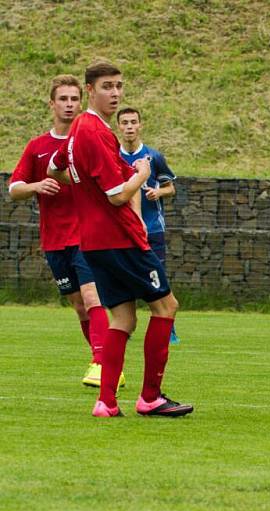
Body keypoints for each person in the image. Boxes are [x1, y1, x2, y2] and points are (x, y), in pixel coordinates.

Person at [48, 60, 192, 418]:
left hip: (93, 241)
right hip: (120, 238)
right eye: (107, 87)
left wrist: (91, 188)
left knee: (122, 320)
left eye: (119, 86)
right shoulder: (96, 132)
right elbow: (116, 195)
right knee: (166, 306)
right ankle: (150, 397)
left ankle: (106, 402)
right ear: (90, 91)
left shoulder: (77, 130)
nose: (115, 93)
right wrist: (141, 174)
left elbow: (55, 169)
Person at [8, 74, 122, 389]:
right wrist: (36, 185)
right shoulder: (38, 146)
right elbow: (14, 188)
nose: (69, 105)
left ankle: (102, 364)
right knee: (78, 305)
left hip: (87, 233)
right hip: (54, 238)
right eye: (63, 99)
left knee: (91, 295)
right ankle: (104, 359)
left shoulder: (87, 139)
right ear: (52, 104)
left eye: (74, 99)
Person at [117, 107, 179, 343]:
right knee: (124, 277)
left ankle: (168, 325)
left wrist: (158, 191)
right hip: (124, 229)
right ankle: (126, 325)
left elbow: (171, 187)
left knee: (158, 275)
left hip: (152, 228)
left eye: (133, 122)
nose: (130, 126)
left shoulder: (154, 156)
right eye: (125, 122)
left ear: (140, 125)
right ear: (119, 127)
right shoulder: (114, 156)